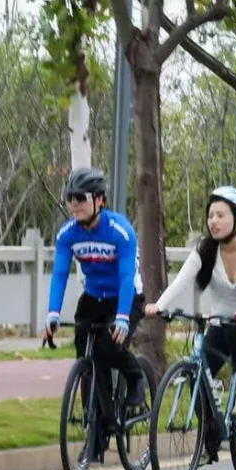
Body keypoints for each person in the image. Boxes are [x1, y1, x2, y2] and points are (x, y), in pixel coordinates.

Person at [146, 186, 236, 462]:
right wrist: (159, 306)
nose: (213, 221)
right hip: (222, 319)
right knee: (198, 371)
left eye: (221, 215)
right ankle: (211, 437)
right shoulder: (205, 249)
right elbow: (182, 281)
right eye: (210, 216)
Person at [48, 167, 147, 448]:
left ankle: (135, 375)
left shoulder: (120, 231)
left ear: (100, 200)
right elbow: (59, 274)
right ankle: (99, 426)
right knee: (87, 356)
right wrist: (52, 313)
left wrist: (123, 318)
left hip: (126, 296)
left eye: (81, 198)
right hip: (94, 297)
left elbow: (127, 277)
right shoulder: (68, 234)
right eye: (70, 199)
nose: (74, 205)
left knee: (108, 347)